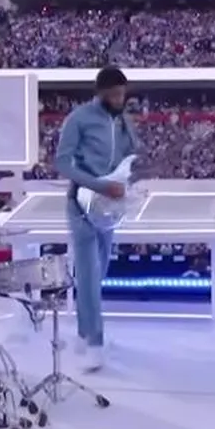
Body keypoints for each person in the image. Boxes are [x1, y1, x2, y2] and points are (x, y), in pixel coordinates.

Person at [54, 66, 141, 373]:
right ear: (100, 92)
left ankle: (82, 331)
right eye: (113, 95)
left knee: (98, 273)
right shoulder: (78, 119)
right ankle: (95, 342)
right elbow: (62, 162)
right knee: (89, 275)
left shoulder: (122, 121)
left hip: (108, 206)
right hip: (81, 202)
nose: (119, 100)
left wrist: (131, 176)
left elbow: (132, 158)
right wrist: (99, 185)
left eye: (122, 95)